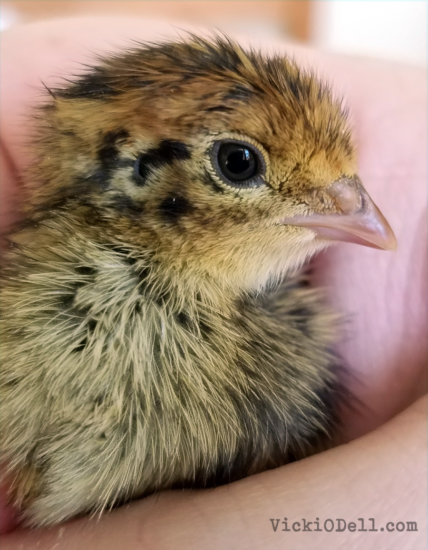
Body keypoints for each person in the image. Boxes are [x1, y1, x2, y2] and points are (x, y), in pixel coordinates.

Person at [0, 16, 426, 550]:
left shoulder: (278, 378)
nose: (353, 208)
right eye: (239, 163)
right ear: (126, 169)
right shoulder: (26, 305)